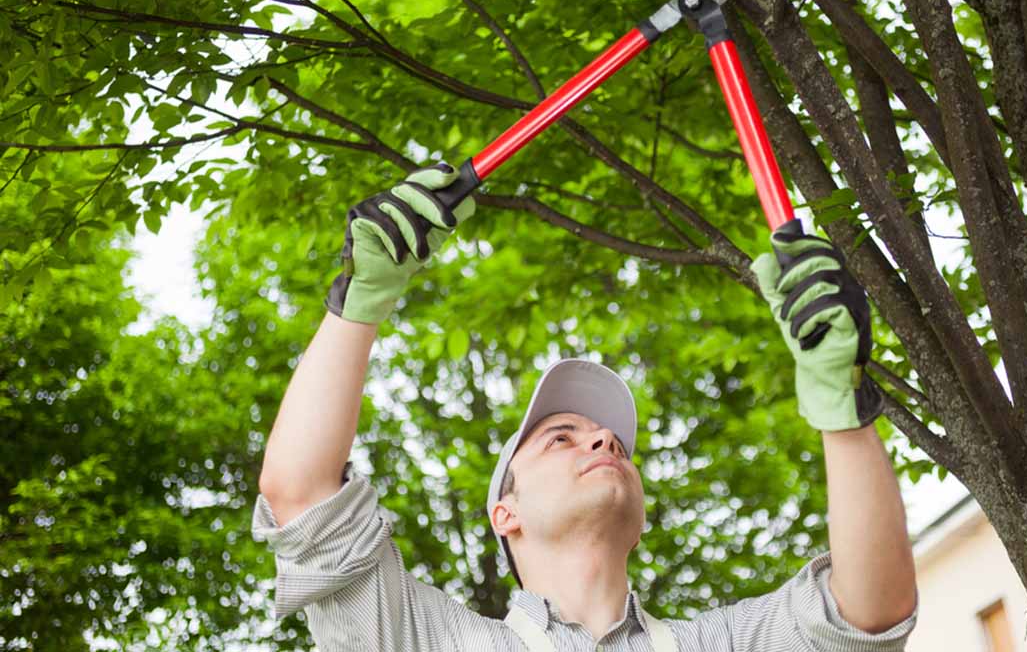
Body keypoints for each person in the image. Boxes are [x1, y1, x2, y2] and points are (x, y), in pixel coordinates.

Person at [252, 165, 918, 651]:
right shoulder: (431, 641)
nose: (603, 441)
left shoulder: (722, 643)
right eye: (561, 439)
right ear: (502, 513)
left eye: (615, 444)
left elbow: (870, 613)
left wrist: (842, 405)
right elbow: (302, 495)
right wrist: (359, 301)